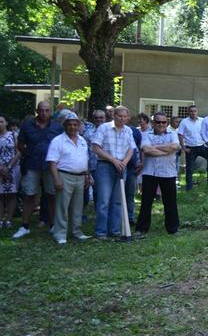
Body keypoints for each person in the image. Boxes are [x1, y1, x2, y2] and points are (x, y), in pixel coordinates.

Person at [12, 101, 63, 239]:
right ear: (37, 111)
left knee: (52, 195)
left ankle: (53, 225)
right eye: (41, 110)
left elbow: (62, 145)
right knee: (29, 195)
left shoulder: (57, 126)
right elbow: (20, 144)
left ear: (50, 111)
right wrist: (28, 154)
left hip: (50, 166)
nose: (44, 113)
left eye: (47, 110)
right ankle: (25, 226)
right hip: (32, 164)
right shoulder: (27, 125)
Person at [91, 106, 136, 240]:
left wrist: (124, 162)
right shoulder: (104, 128)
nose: (122, 119)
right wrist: (113, 160)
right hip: (105, 166)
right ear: (114, 116)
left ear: (127, 118)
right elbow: (95, 147)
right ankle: (101, 232)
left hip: (122, 167)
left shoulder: (128, 130)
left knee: (117, 201)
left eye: (125, 116)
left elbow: (131, 149)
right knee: (103, 200)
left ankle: (115, 230)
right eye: (119, 116)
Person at [46, 112, 92, 244]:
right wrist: (56, 179)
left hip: (80, 177)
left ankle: (77, 231)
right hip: (64, 176)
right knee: (62, 206)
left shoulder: (82, 140)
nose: (72, 127)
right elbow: (52, 162)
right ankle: (60, 234)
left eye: (75, 124)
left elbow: (85, 159)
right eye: (70, 124)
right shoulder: (58, 141)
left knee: (78, 206)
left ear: (78, 126)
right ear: (65, 126)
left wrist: (87, 176)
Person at [135, 112, 180, 236]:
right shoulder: (146, 134)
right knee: (146, 202)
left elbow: (176, 146)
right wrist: (167, 151)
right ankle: (141, 229)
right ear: (153, 123)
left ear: (167, 123)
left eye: (164, 122)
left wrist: (155, 147)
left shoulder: (173, 134)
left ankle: (173, 229)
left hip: (168, 172)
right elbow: (146, 149)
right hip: (150, 172)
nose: (161, 124)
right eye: (158, 122)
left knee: (170, 202)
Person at [0, 116, 21, 230]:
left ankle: (9, 219)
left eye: (1, 121)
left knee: (12, 195)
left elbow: (19, 151)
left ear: (6, 123)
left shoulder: (14, 135)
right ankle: (0, 219)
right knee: (0, 195)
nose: (0, 124)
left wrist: (8, 167)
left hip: (13, 168)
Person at [177, 106, 204, 190]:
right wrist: (183, 147)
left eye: (195, 111)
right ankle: (189, 187)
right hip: (190, 148)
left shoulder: (202, 121)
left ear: (197, 112)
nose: (193, 113)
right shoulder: (184, 122)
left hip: (202, 146)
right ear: (189, 112)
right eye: (191, 111)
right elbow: (180, 134)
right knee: (189, 168)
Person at [169, 116, 182, 186]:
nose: (178, 123)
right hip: (170, 152)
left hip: (178, 152)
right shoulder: (168, 130)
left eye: (179, 122)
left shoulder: (178, 130)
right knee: (172, 167)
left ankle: (176, 182)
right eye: (176, 122)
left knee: (177, 167)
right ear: (171, 122)